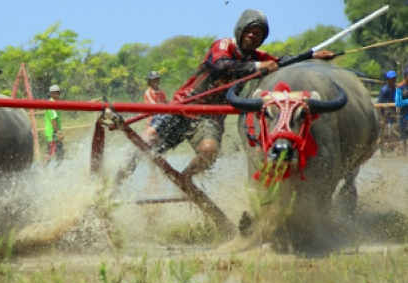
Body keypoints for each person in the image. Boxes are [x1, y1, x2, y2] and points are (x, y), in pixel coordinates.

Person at [119, 9, 334, 182]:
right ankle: (113, 182)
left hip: (211, 117)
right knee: (147, 140)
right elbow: (222, 65)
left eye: (258, 34)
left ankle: (183, 179)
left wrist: (313, 55)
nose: (252, 36)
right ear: (240, 31)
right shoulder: (223, 45)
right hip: (185, 106)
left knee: (210, 151)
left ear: (261, 40)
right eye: (249, 31)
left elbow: (283, 61)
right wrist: (259, 66)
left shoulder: (258, 57)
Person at [42, 85, 65, 166]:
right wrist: (58, 132)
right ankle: (42, 169)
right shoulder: (51, 104)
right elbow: (53, 119)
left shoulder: (54, 102)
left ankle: (56, 169)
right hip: (53, 133)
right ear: (51, 93)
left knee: (58, 152)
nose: (58, 94)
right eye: (56, 92)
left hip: (54, 132)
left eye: (59, 92)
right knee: (51, 153)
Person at [377, 70, 398, 155]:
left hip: (393, 115)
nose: (393, 80)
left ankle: (392, 149)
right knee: (388, 133)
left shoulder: (394, 89)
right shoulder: (384, 90)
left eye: (394, 79)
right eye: (392, 79)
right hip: (386, 116)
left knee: (394, 132)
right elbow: (379, 104)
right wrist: (381, 118)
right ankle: (387, 150)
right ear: (388, 79)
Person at [394, 67, 408, 156]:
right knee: (403, 137)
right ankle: (404, 154)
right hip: (404, 116)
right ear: (406, 76)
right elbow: (398, 103)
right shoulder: (400, 87)